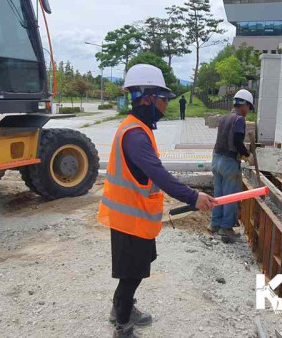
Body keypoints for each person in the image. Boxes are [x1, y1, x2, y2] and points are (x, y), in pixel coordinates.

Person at [97, 64, 216, 338]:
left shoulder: (136, 127)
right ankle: (122, 327)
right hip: (130, 220)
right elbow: (159, 174)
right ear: (147, 98)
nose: (165, 106)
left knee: (134, 272)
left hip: (136, 217)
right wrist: (193, 196)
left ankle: (121, 310)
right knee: (131, 276)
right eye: (163, 100)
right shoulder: (136, 135)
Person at [209, 89, 254, 242]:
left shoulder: (224, 117)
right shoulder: (239, 119)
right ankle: (226, 228)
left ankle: (214, 224)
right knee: (231, 197)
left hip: (216, 159)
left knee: (219, 195)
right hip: (229, 162)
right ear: (244, 104)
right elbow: (236, 141)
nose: (248, 111)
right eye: (249, 107)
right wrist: (247, 156)